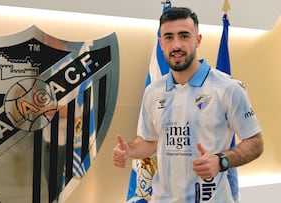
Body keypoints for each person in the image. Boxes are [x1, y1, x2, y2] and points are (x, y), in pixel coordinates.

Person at [112, 7, 263, 203]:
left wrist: (221, 161)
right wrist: (131, 150)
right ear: (161, 43)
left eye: (184, 36)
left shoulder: (228, 88)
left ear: (197, 40)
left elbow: (256, 142)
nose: (176, 45)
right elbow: (150, 141)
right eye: (168, 37)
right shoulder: (153, 92)